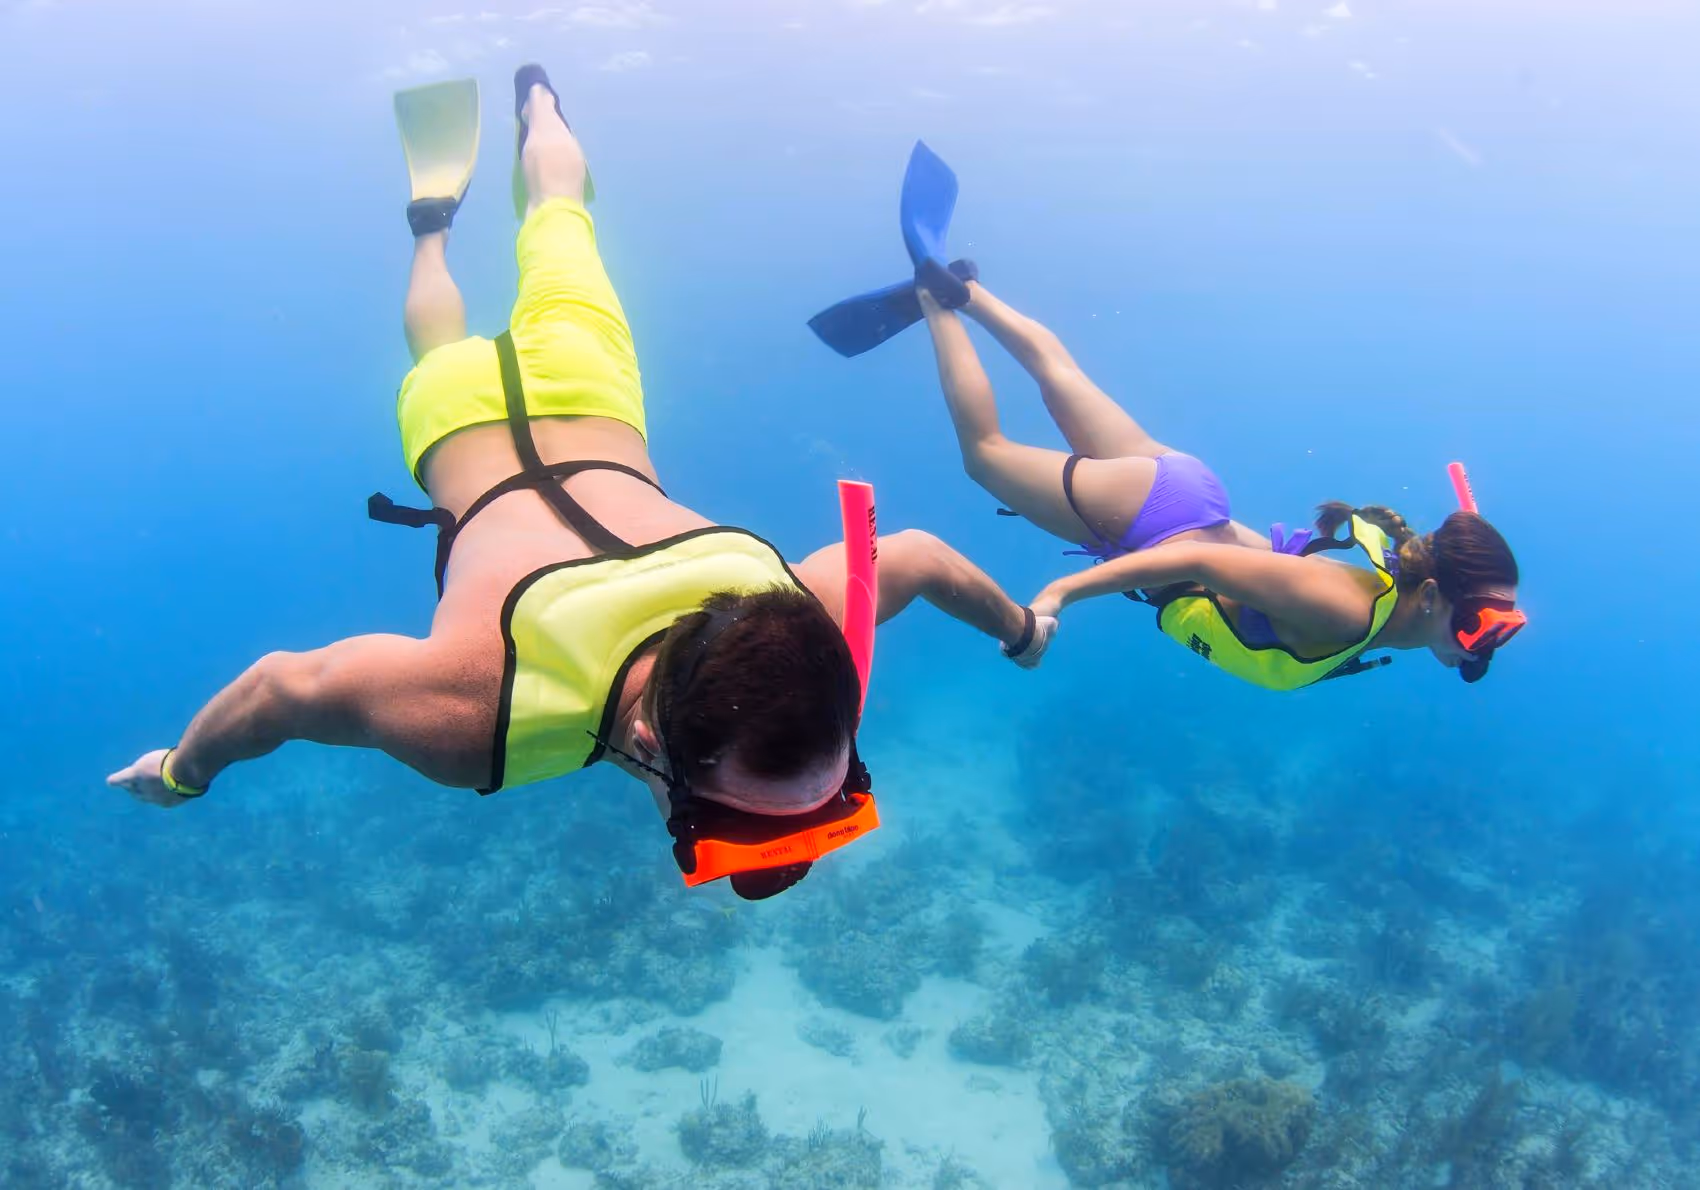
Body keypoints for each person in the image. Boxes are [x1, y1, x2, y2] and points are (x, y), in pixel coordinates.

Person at [107, 69, 1049, 900]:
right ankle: (432, 231)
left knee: (561, 219)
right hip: (455, 426)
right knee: (438, 343)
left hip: (589, 388)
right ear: (648, 746)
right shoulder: (479, 720)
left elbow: (918, 559)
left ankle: (540, 105)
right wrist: (180, 774)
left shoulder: (800, 616)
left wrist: (1022, 631)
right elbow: (278, 690)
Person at [810, 142, 1525, 691]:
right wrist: (1060, 594)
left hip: (1184, 492)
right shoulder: (1346, 610)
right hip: (1156, 523)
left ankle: (966, 292)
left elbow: (1242, 556)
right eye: (1481, 623)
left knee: (1062, 377)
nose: (1483, 642)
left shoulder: (1370, 601)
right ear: (1432, 594)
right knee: (985, 453)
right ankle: (936, 299)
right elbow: (1200, 559)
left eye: (1497, 631)